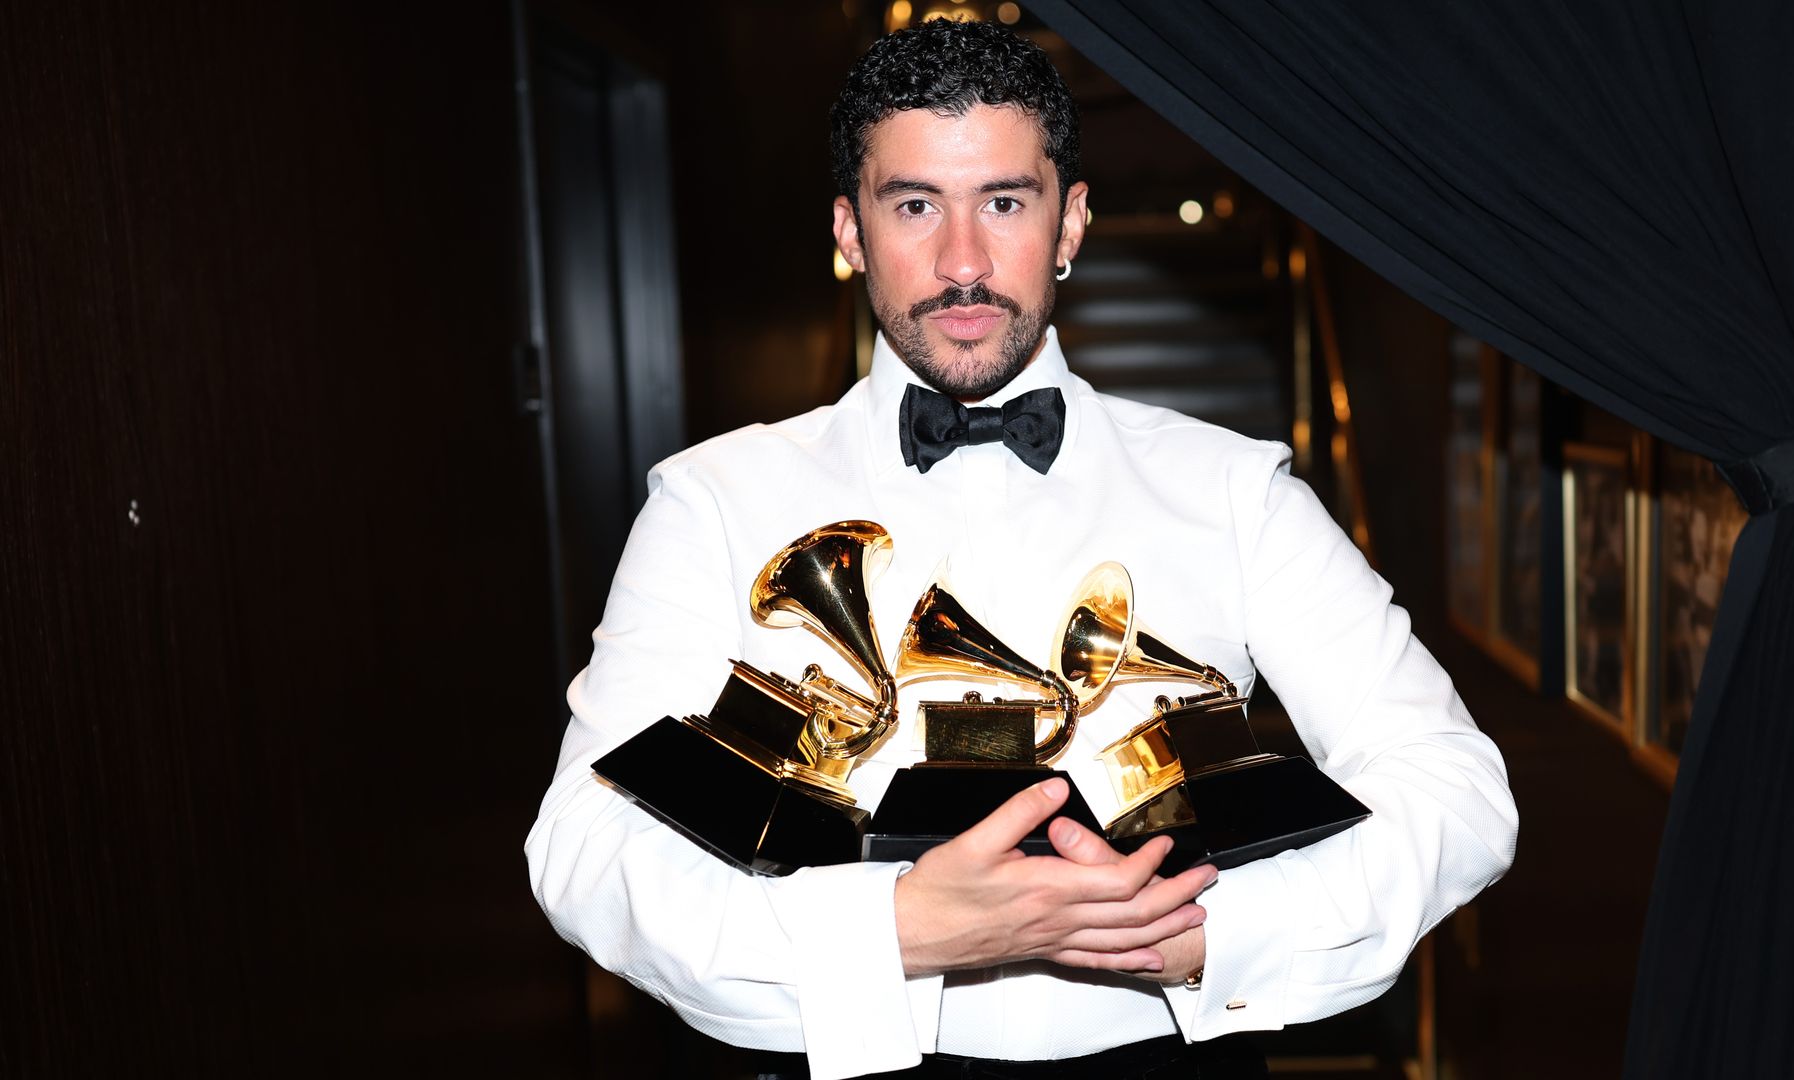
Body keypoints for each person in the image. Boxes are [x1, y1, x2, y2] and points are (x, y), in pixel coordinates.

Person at [526, 18, 1517, 1080]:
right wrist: (895, 932)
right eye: (914, 206)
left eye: (1004, 201)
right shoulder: (712, 502)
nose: (962, 262)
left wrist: (1215, 936)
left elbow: (1457, 793)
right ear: (849, 231)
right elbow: (583, 847)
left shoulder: (1237, 494)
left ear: (1071, 223)